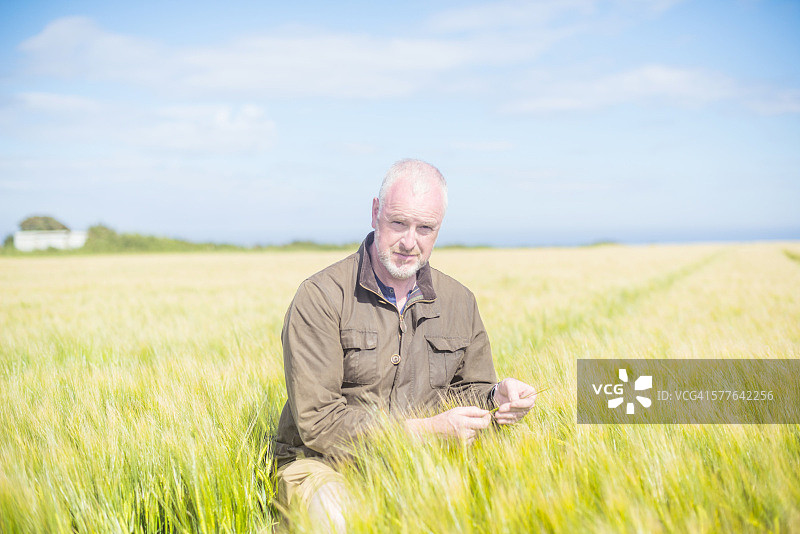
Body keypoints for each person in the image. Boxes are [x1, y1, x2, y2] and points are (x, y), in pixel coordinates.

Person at [272, 159, 538, 530]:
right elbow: (319, 423)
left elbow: (466, 392)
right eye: (398, 222)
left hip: (423, 463)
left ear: (439, 229)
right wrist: (423, 432)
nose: (410, 242)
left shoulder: (459, 301)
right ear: (375, 212)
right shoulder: (321, 297)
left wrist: (496, 396)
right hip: (323, 463)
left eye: (425, 228)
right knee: (335, 519)